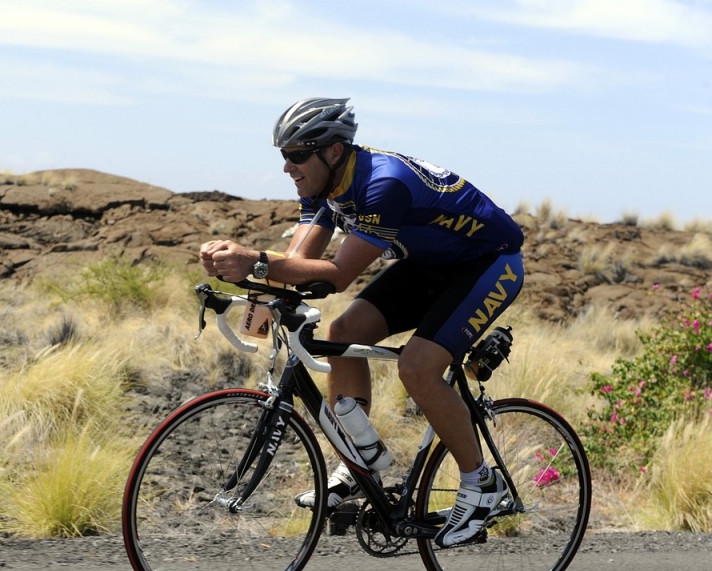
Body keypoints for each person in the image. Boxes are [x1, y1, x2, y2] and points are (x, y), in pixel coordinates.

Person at [199, 97, 525, 547]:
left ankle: (482, 483)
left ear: (333, 151)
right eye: (283, 155)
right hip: (429, 266)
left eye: (296, 155)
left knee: (418, 367)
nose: (287, 167)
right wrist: (247, 282)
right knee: (342, 334)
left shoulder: (382, 185)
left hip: (489, 265)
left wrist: (253, 262)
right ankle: (359, 463)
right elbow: (296, 263)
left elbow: (335, 276)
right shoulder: (323, 183)